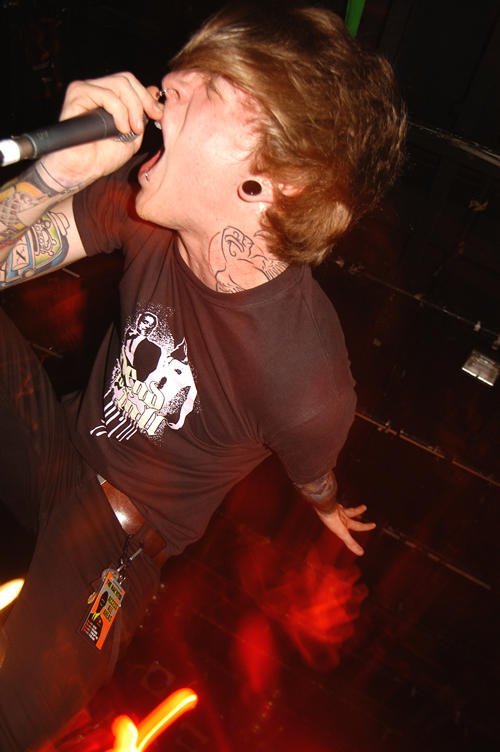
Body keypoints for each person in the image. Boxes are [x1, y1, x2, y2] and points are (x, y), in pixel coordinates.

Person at [0, 3, 406, 749]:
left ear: (279, 178)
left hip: (118, 543)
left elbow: (312, 468)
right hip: (55, 445)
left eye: (212, 84)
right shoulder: (138, 207)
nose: (171, 82)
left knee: (14, 721)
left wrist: (326, 504)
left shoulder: (307, 380)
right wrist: (50, 175)